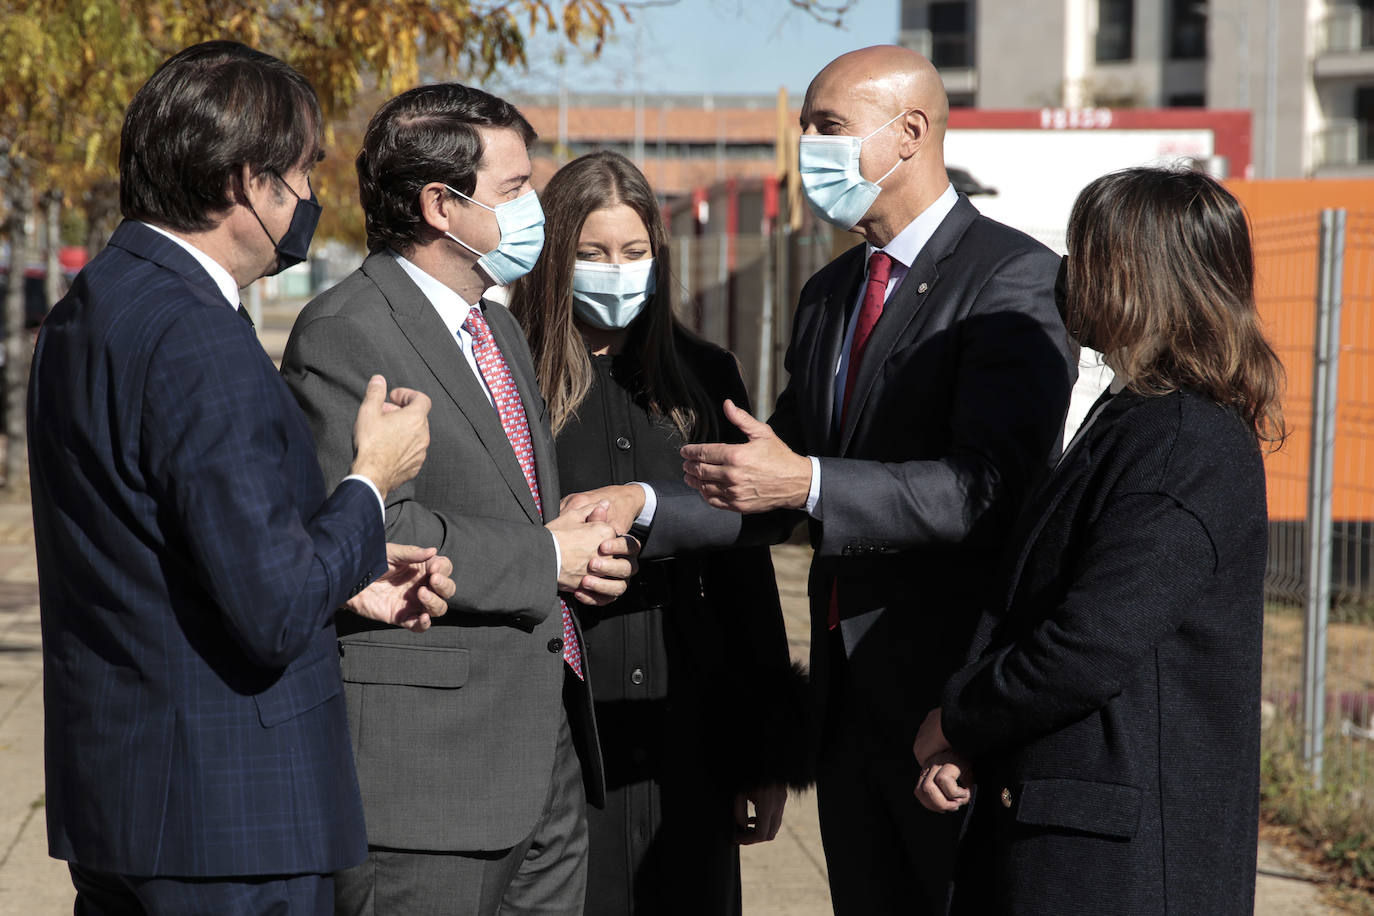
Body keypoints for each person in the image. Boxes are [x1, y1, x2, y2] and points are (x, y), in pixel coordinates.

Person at [563, 45, 1076, 915]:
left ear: (909, 133)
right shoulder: (832, 291)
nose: (809, 151)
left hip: (943, 710)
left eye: (828, 129)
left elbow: (985, 489)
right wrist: (645, 506)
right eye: (806, 131)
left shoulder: (1011, 279)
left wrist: (806, 484)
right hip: (848, 714)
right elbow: (766, 479)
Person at [28, 41, 455, 916]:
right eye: (300, 174)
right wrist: (372, 480)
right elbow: (269, 608)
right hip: (226, 821)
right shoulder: (193, 335)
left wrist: (353, 581)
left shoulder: (97, 304)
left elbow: (172, 548)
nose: (308, 199)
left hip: (131, 802)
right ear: (243, 183)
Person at [280, 84, 640, 916]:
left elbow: (516, 511)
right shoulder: (345, 329)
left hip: (543, 755)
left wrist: (571, 547)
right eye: (515, 191)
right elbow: (368, 525)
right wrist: (548, 556)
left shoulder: (497, 323)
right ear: (441, 204)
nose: (535, 209)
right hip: (429, 781)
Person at [912, 167, 1284, 915]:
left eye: (1088, 255)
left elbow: (1088, 645)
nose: (1070, 276)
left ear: (1140, 277)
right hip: (1078, 839)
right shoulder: (1136, 418)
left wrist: (956, 717)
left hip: (1119, 865)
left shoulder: (1185, 441)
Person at [507, 150, 809, 916]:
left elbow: (744, 567)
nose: (617, 270)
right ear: (553, 257)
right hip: (562, 741)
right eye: (594, 254)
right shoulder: (506, 376)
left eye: (634, 252)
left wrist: (765, 752)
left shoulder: (708, 376)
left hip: (693, 740)